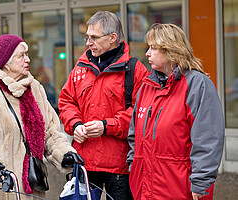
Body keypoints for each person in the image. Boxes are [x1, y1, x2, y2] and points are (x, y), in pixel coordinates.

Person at [0, 34, 83, 200]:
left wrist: (64, 154)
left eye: (27, 54)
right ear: (6, 63)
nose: (28, 59)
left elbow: (50, 132)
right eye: (21, 55)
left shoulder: (35, 89)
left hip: (32, 186)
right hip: (1, 188)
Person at [127, 23, 225, 200]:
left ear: (171, 50)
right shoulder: (146, 87)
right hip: (144, 188)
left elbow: (208, 139)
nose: (147, 53)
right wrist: (133, 165)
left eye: (153, 48)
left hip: (180, 188)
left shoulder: (197, 85)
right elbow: (134, 135)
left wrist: (201, 181)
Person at [58, 11, 148, 199]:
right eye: (87, 37)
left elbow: (141, 114)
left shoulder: (135, 70)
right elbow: (66, 101)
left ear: (112, 38)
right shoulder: (80, 67)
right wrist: (75, 125)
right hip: (85, 163)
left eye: (94, 37)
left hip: (120, 166)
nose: (88, 43)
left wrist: (106, 126)